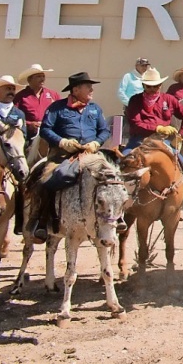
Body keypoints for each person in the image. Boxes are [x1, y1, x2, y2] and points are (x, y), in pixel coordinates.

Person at [31, 72, 111, 241]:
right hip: (62, 155)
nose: (91, 89)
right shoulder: (56, 108)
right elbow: (46, 129)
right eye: (87, 86)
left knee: (113, 179)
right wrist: (62, 142)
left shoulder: (95, 108)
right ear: (75, 89)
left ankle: (114, 221)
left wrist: (97, 142)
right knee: (48, 181)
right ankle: (42, 221)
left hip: (91, 155)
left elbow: (104, 130)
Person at [123, 67, 183, 186]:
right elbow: (135, 123)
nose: (152, 89)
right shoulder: (135, 100)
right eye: (149, 86)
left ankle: (182, 199)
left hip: (163, 142)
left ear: (160, 85)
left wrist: (180, 136)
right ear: (143, 85)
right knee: (121, 163)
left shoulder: (169, 99)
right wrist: (157, 128)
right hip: (138, 140)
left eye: (155, 86)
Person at [13, 63, 58, 144]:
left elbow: (61, 112)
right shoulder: (20, 96)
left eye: (43, 76)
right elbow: (14, 116)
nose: (42, 79)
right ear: (29, 80)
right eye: (38, 76)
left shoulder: (53, 95)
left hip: (51, 136)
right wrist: (29, 124)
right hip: (29, 137)